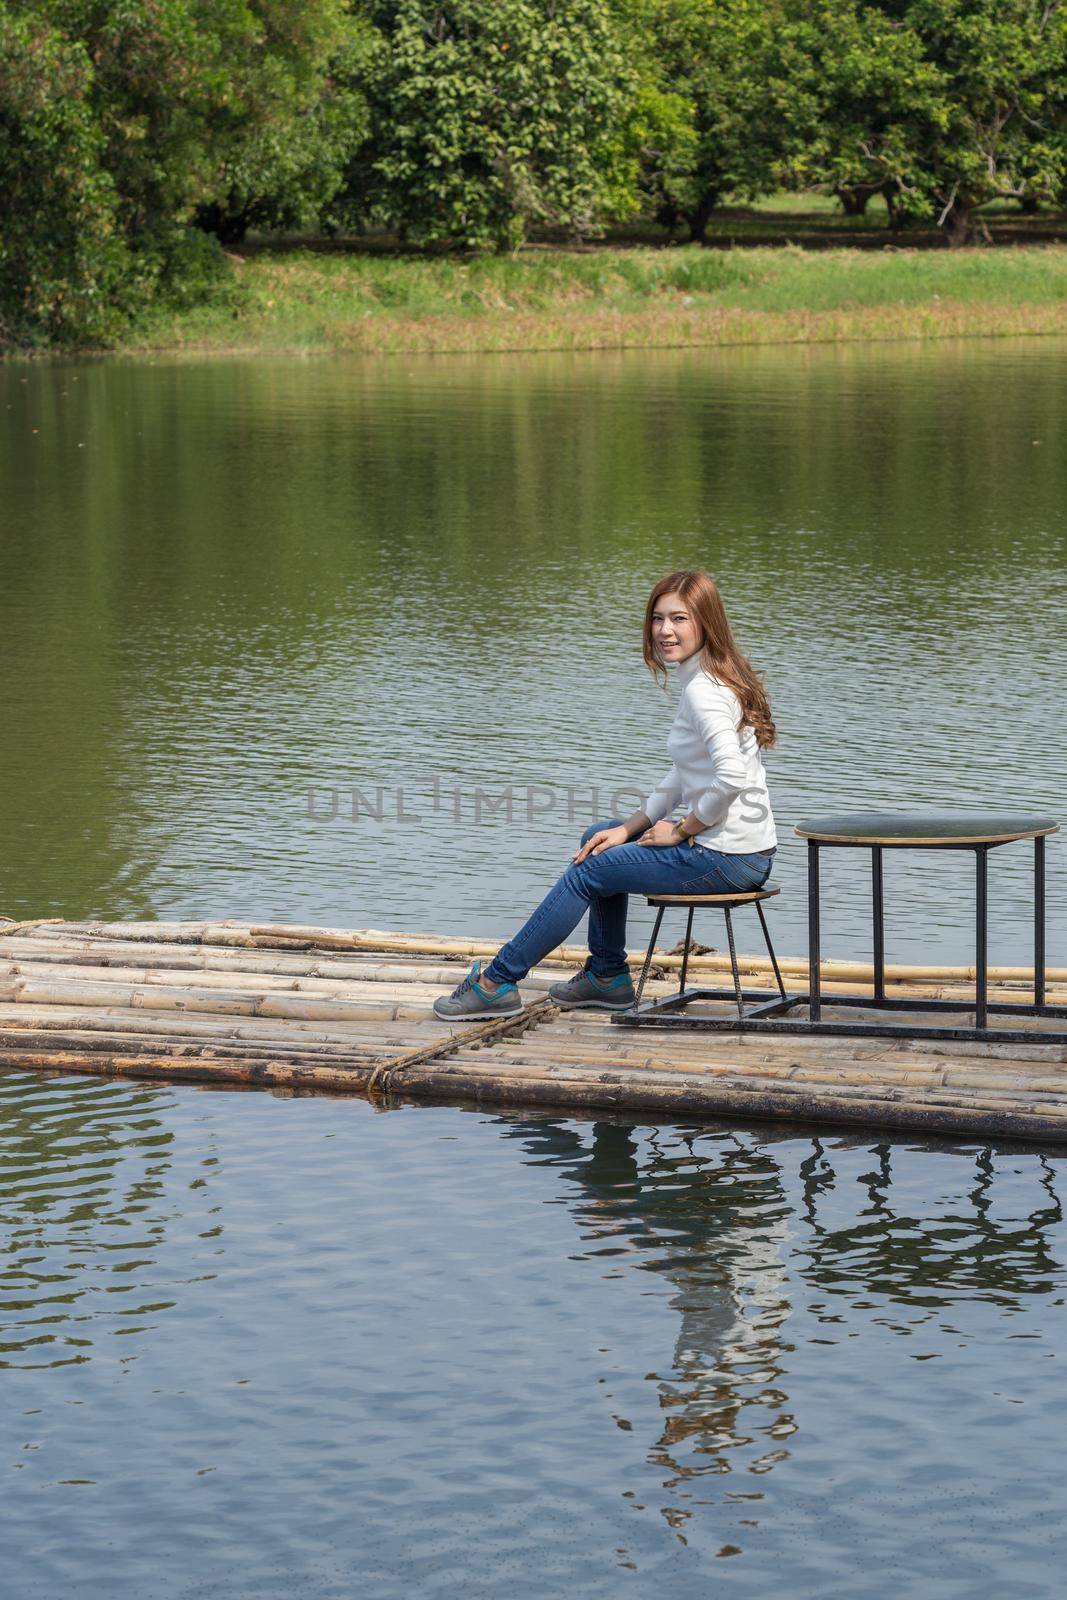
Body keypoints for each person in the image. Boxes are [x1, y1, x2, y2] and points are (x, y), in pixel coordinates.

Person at [433, 569, 778, 1020]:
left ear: (706, 622)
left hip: (724, 858)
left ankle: (496, 982)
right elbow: (683, 774)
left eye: (679, 618)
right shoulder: (711, 676)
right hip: (744, 853)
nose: (664, 631)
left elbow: (730, 779)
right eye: (658, 618)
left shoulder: (705, 692)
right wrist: (630, 828)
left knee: (588, 871)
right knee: (599, 836)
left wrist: (679, 829)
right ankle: (607, 976)